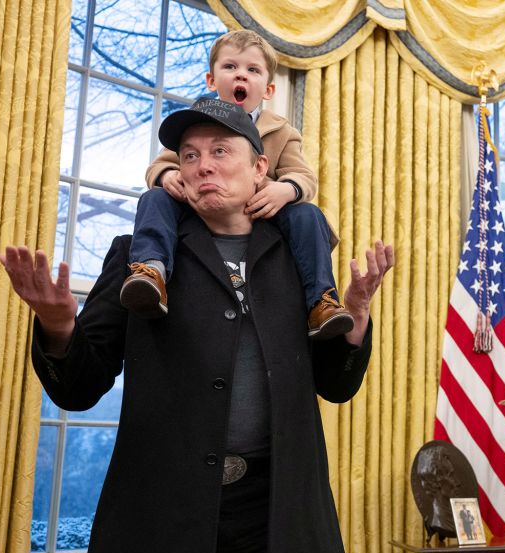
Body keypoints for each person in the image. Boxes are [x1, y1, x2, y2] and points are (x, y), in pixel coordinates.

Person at [0, 97, 393, 553]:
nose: (202, 165)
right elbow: (79, 384)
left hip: (274, 512)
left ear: (261, 168)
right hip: (165, 513)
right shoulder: (140, 255)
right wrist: (55, 323)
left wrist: (358, 319)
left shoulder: (296, 256)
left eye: (220, 151)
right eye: (189, 155)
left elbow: (335, 386)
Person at [120, 29, 353, 341]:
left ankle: (322, 301)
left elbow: (304, 177)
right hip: (203, 207)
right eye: (230, 67)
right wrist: (167, 177)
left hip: (264, 209)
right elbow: (158, 165)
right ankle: (151, 273)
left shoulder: (281, 131)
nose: (240, 75)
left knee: (308, 215)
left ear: (268, 88)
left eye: (252, 70)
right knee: (154, 199)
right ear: (211, 81)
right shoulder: (195, 125)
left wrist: (285, 189)